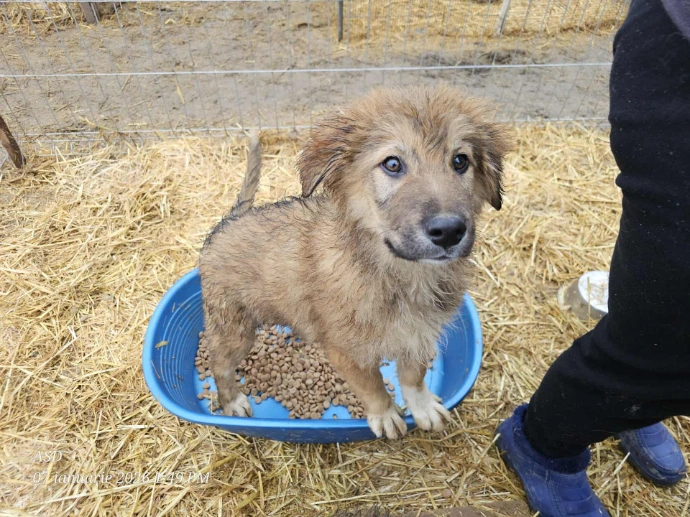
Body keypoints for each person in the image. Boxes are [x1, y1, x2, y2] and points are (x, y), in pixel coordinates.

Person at [496, 0, 690, 515]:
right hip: (682, 47)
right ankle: (544, 442)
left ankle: (638, 402)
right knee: (667, 318)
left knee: (660, 291)